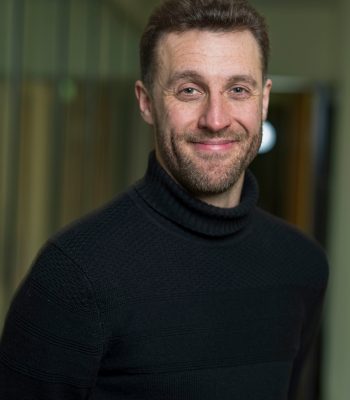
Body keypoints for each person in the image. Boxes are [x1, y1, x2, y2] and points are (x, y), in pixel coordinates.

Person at [0, 0, 328, 399]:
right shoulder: (73, 276)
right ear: (146, 102)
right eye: (190, 90)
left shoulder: (301, 266)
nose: (216, 118)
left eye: (238, 89)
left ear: (263, 100)